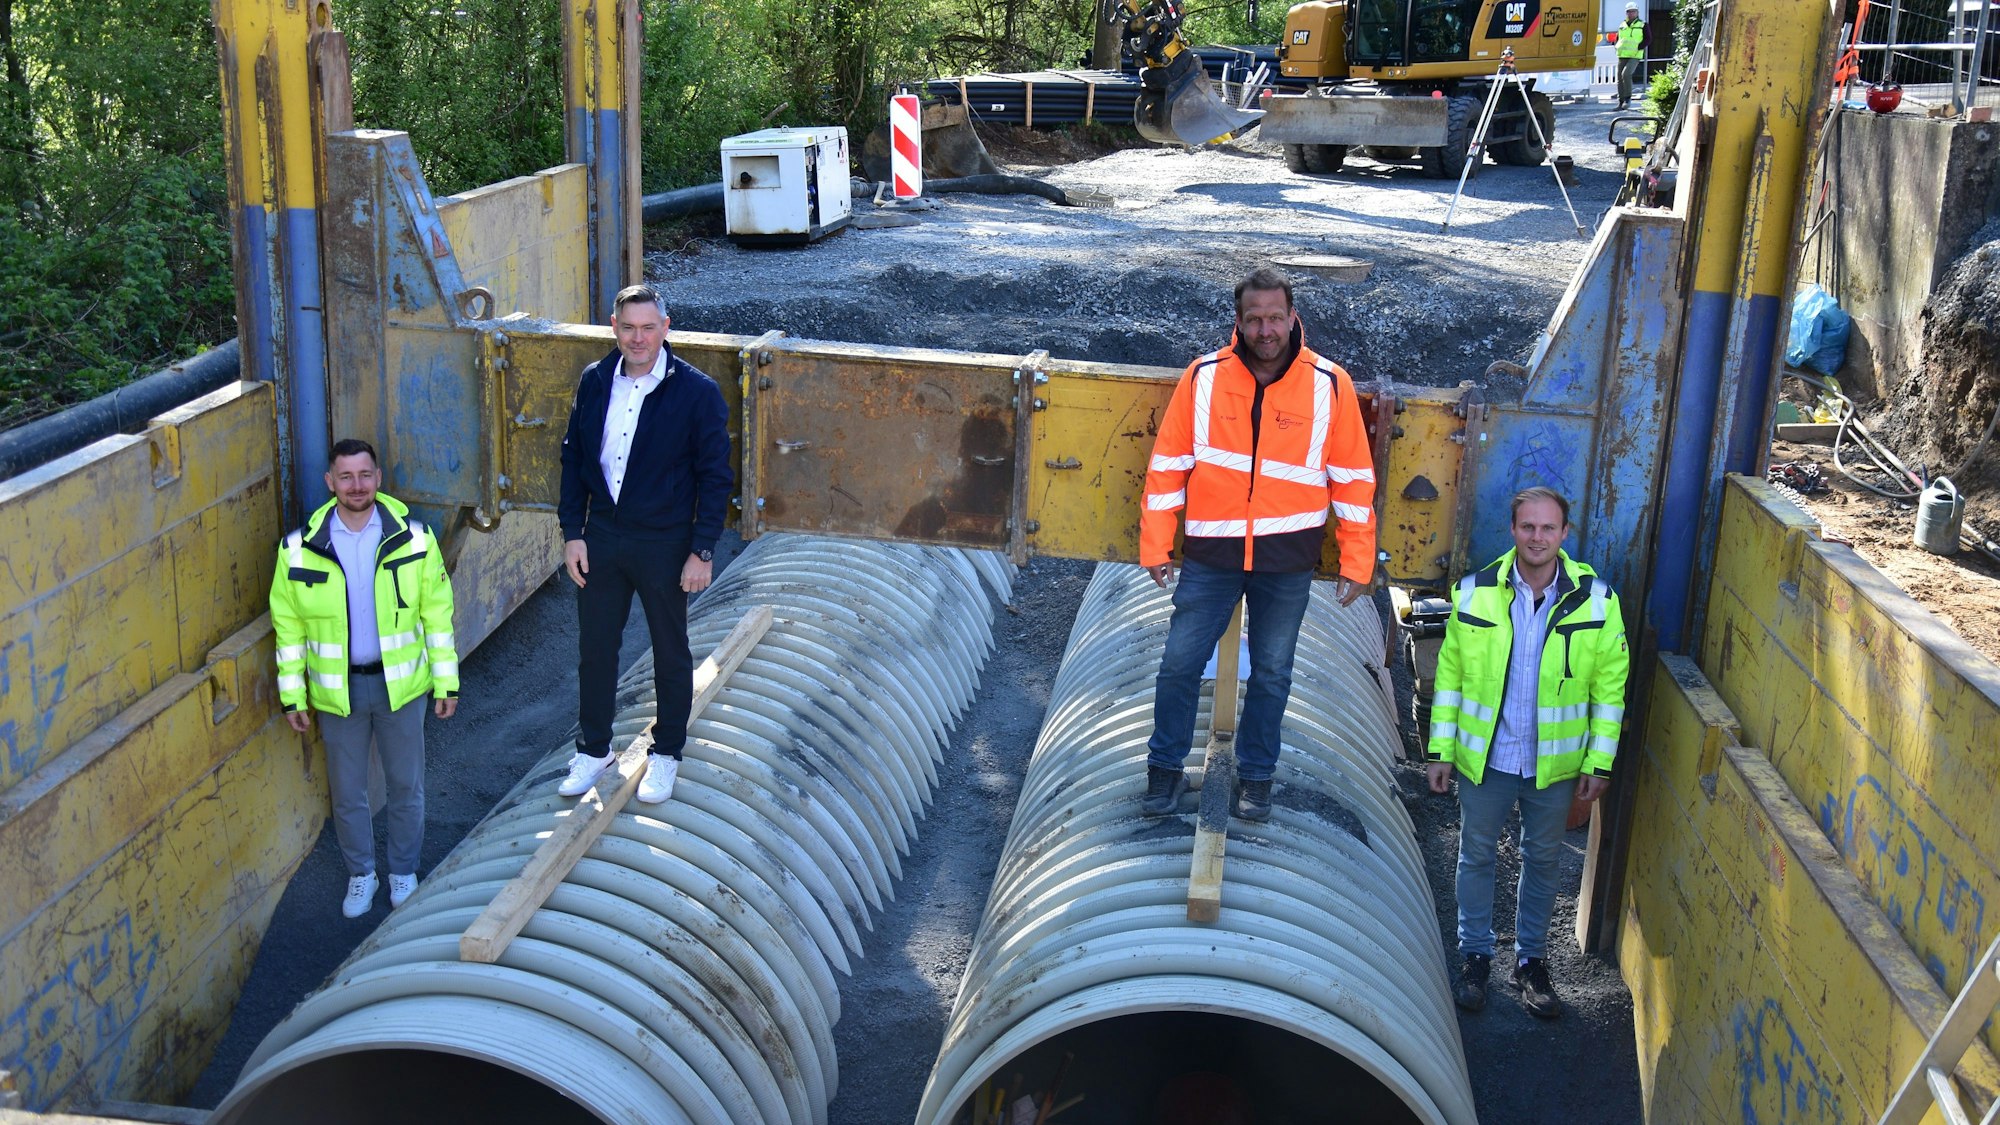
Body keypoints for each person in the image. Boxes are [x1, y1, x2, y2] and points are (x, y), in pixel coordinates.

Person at [1138, 268, 1378, 822]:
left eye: (1275, 317)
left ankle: (1257, 779)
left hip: (1285, 561)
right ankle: (1164, 772)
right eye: (1255, 319)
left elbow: (1352, 479)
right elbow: (1167, 466)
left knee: (1272, 673)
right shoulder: (1202, 378)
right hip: (1212, 555)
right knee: (1178, 665)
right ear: (1238, 322)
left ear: (1293, 318)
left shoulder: (1329, 383)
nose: (1266, 329)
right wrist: (1156, 544)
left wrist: (1357, 560)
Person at [1426, 486, 1629, 1019]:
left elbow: (1610, 691)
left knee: (1542, 860)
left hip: (1554, 765)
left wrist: (1598, 763)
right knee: (1476, 856)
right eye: (1528, 527)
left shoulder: (1598, 601)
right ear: (1513, 531)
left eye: (1548, 528)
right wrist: (1439, 751)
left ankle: (1532, 962)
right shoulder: (1473, 594)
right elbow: (1449, 679)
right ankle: (1475, 956)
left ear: (1565, 534)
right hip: (1486, 758)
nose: (1537, 537)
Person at [556, 283, 733, 805]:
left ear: (666, 327)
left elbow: (715, 477)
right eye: (628, 328)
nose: (638, 338)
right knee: (596, 650)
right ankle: (594, 750)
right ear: (614, 327)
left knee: (669, 651)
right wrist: (573, 533)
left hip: (664, 541)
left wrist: (702, 550)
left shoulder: (697, 393)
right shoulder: (594, 381)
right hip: (602, 536)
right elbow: (572, 461)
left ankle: (667, 754)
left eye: (648, 327)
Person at [271, 438, 460, 919]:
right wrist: (293, 696)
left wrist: (446, 682)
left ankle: (402, 871)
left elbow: (437, 617)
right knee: (348, 792)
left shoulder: (414, 539)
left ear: (378, 478)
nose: (357, 486)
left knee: (405, 785)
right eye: (346, 477)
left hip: (402, 687)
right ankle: (361, 876)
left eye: (365, 475)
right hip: (339, 693)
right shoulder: (298, 550)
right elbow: (288, 630)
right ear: (330, 483)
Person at [1615, 3, 1648, 110]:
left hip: (1635, 55)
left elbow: (1648, 38)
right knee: (1620, 77)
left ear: (1637, 13)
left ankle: (1627, 98)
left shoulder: (1643, 24)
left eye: (1633, 11)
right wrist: (1616, 46)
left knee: (1626, 73)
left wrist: (1639, 47)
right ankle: (1621, 101)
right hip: (1623, 55)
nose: (1631, 13)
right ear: (1626, 13)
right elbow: (1618, 38)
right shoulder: (1622, 25)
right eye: (1629, 11)